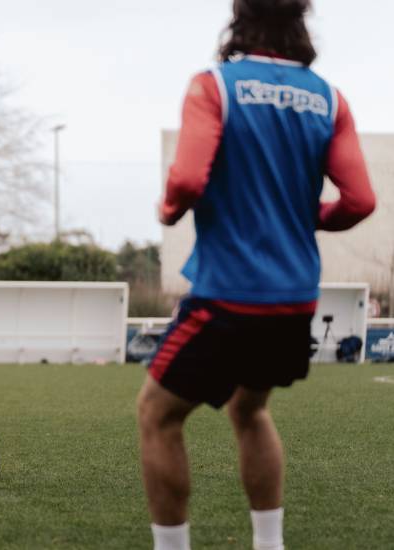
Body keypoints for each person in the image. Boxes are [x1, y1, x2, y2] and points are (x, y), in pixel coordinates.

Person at [137, 1, 376, 548]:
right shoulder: (328, 98)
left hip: (227, 295)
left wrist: (167, 211)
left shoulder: (214, 87)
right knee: (251, 409)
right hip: (293, 300)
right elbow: (360, 200)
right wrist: (309, 216)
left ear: (239, 17)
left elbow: (189, 180)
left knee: (157, 414)